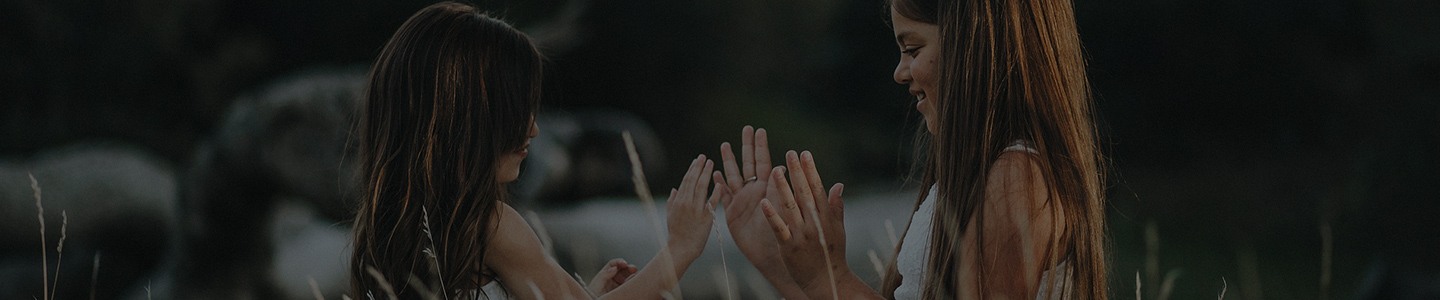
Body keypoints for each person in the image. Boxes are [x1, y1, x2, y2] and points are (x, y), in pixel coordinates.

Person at [716, 0, 1107, 298]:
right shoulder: (987, 175)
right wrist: (784, 266)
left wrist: (829, 276)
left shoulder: (1017, 180)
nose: (900, 72)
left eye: (913, 49)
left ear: (974, 43)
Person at [348, 2, 720, 299]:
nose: (534, 128)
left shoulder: (382, 228)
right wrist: (681, 247)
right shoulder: (488, 224)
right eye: (517, 111)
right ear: (471, 118)